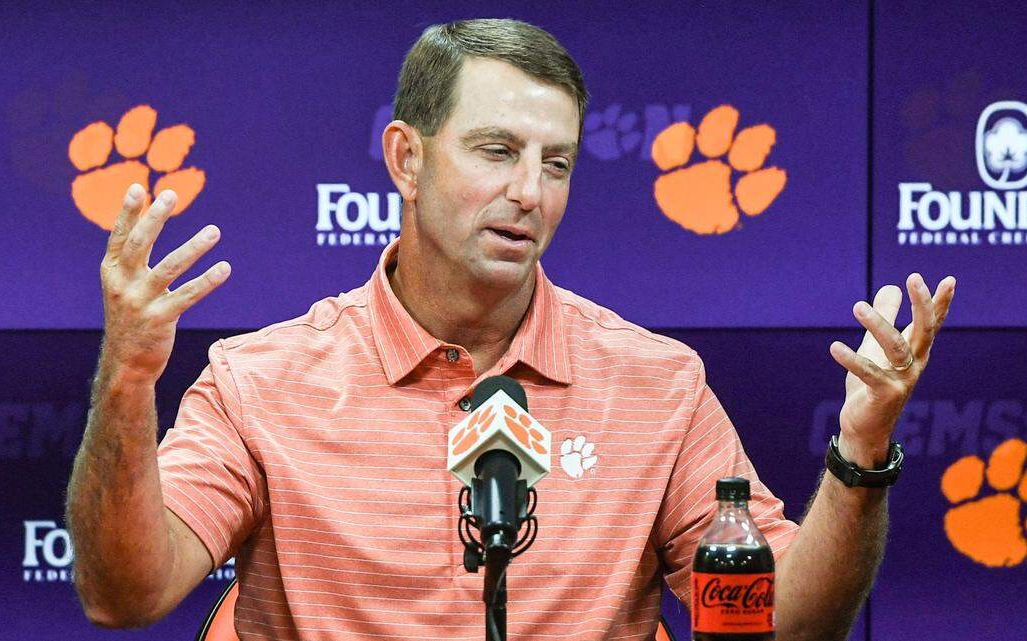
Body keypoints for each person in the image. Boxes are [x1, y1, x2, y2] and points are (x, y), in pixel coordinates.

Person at [65, 18, 955, 641]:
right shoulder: (261, 382)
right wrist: (126, 380)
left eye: (556, 161)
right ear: (406, 160)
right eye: (497, 151)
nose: (530, 191)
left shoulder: (657, 384)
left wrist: (860, 450)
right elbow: (126, 593)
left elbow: (781, 626)